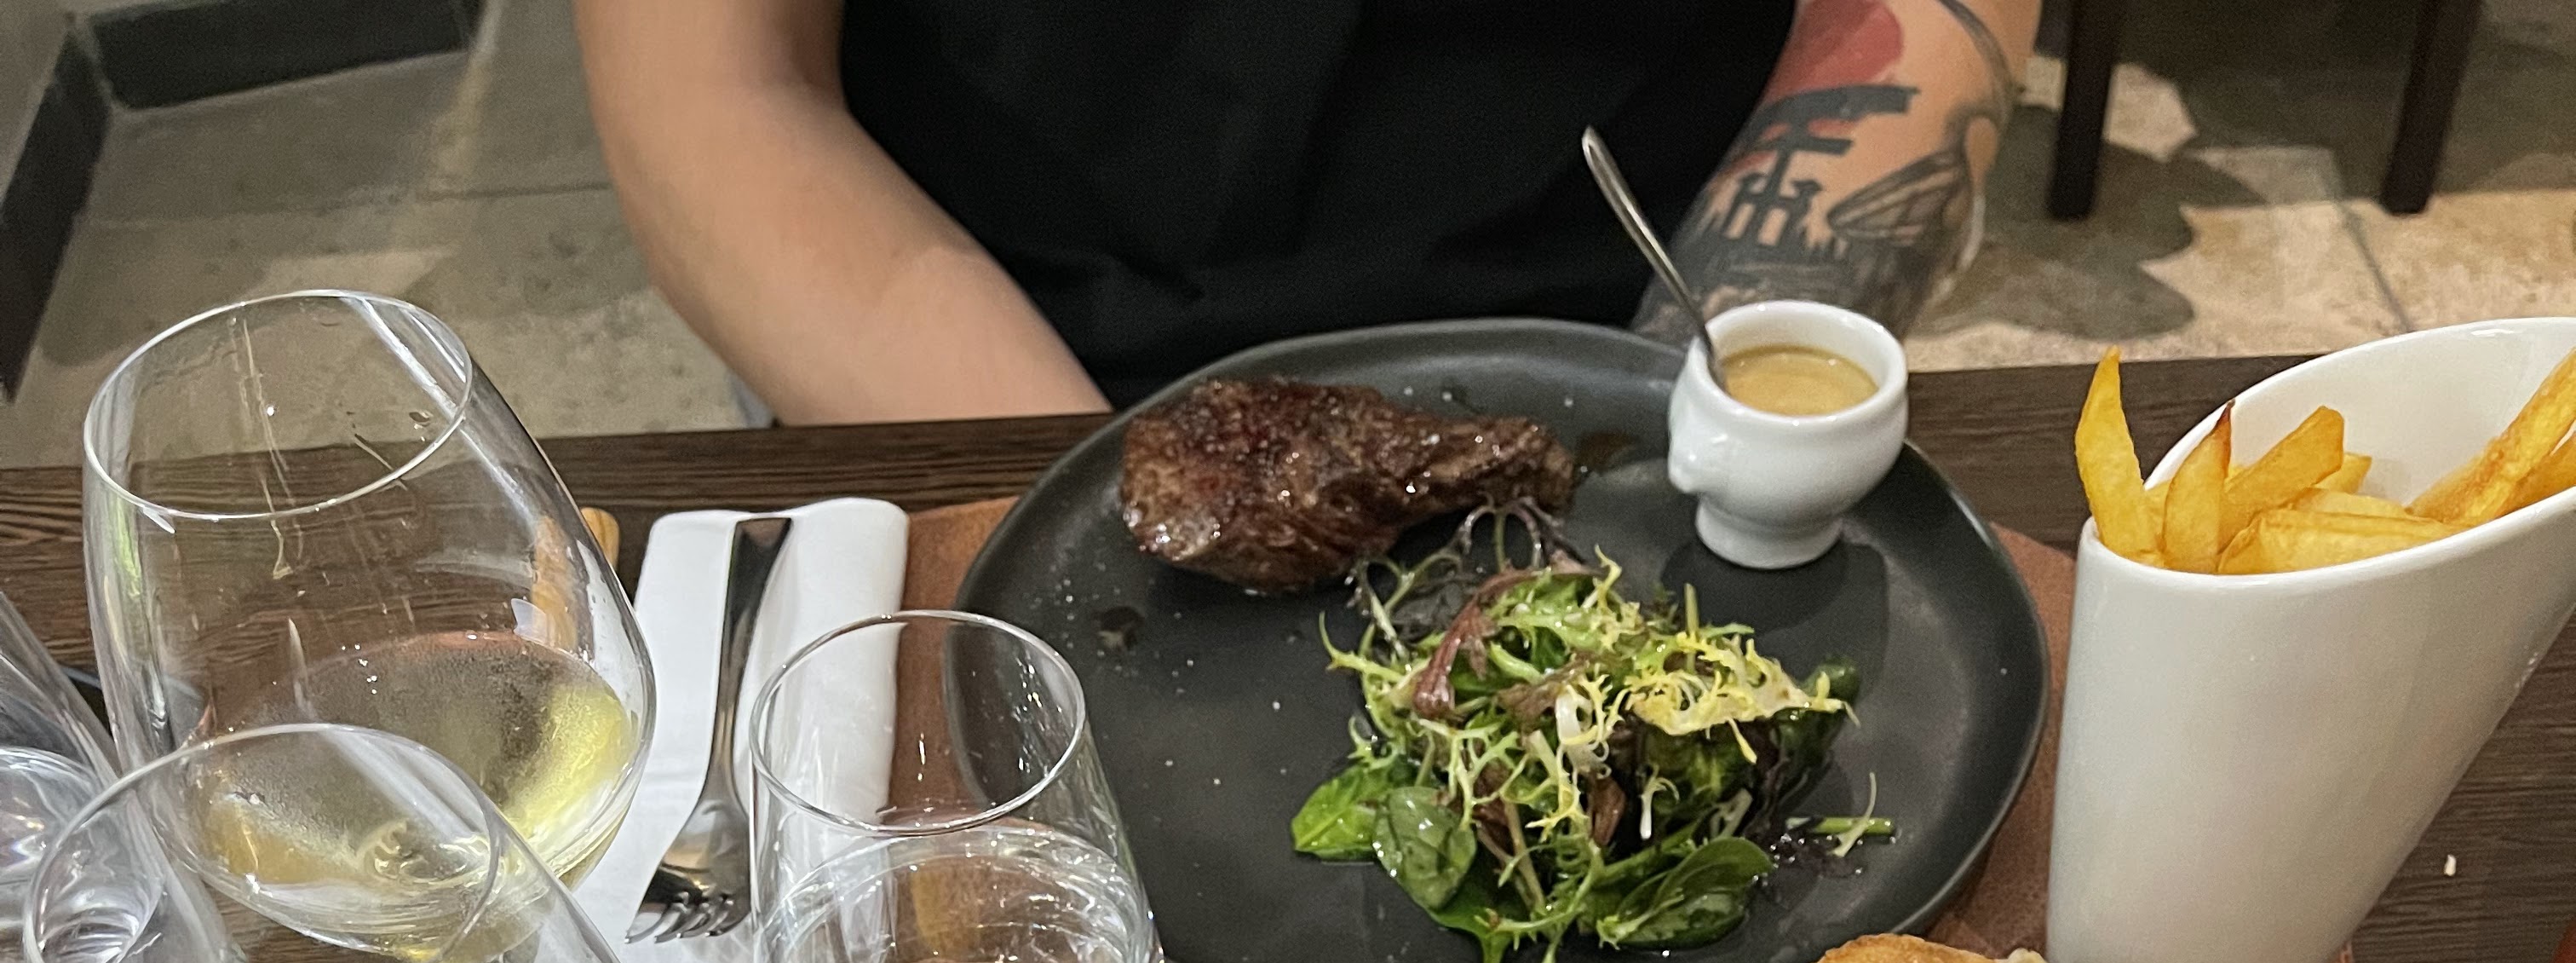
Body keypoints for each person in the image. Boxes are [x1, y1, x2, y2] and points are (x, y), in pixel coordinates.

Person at [574, 0, 2041, 426]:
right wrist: (1106, 519)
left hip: (1638, 336)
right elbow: (718, 92)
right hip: (969, 354)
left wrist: (1707, 430)